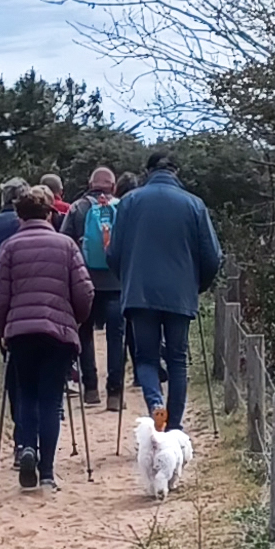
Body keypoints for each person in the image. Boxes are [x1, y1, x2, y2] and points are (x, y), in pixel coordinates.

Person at [0, 188, 94, 492]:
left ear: (19, 216)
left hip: (20, 333)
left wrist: (3, 331)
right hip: (58, 334)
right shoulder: (66, 245)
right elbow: (85, 291)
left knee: (26, 395)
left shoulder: (8, 247)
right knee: (51, 399)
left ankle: (26, 448)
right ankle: (47, 472)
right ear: (50, 214)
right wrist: (77, 320)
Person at [110, 146, 222, 430]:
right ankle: (174, 427)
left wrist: (128, 279)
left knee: (145, 358)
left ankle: (156, 404)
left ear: (147, 172)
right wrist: (197, 286)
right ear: (176, 172)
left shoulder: (129, 202)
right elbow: (212, 257)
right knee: (177, 361)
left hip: (140, 294)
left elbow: (114, 254)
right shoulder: (194, 204)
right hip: (180, 295)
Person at [66, 165, 123, 405]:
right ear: (113, 185)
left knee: (85, 334)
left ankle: (90, 389)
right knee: (116, 337)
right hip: (117, 283)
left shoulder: (78, 208)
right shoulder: (122, 206)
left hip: (85, 282)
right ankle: (115, 393)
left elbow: (65, 241)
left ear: (90, 184)